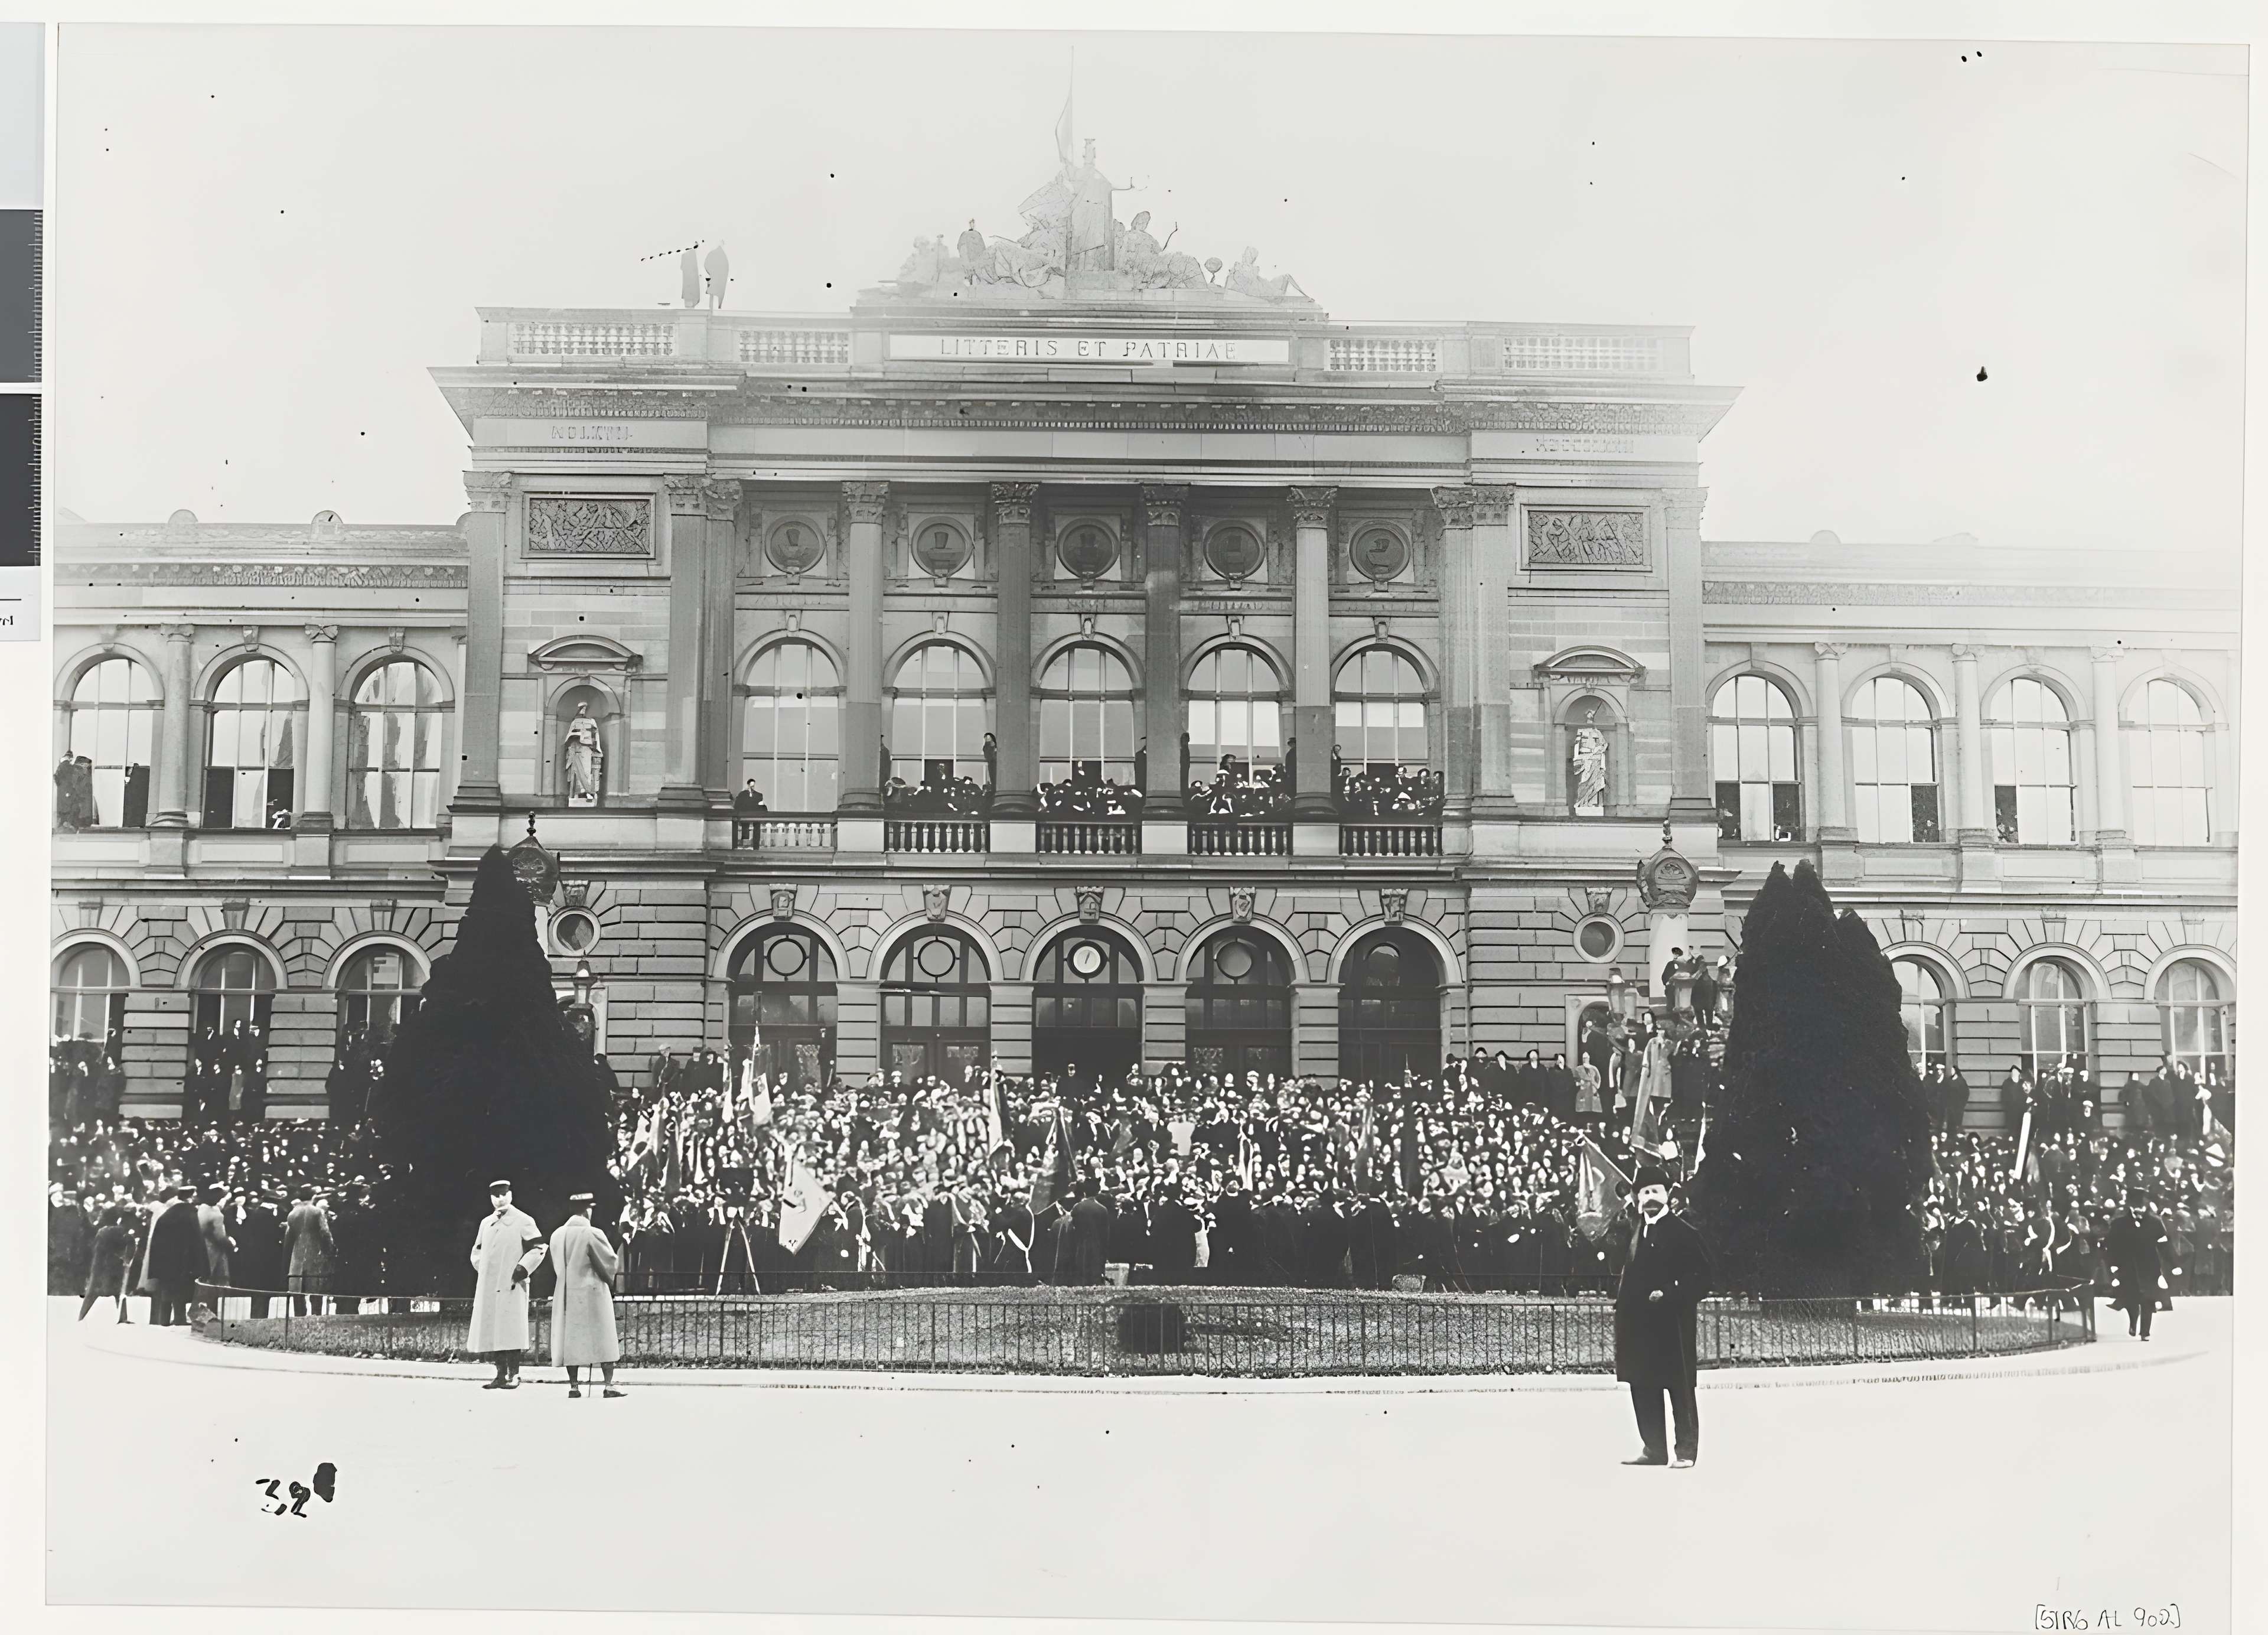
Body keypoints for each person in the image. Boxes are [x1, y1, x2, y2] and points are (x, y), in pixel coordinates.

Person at [1613, 1164, 1710, 1468]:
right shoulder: (1636, 1231)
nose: (1650, 1198)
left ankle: (1686, 1451)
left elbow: (1704, 1277)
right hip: (1639, 1327)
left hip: (1672, 1326)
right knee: (1643, 1386)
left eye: (1656, 1191)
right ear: (1638, 1198)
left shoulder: (1685, 1233)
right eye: (1644, 1193)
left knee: (1679, 1387)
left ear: (1668, 1195)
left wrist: (1671, 1293)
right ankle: (1654, 1449)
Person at [468, 1180, 547, 1389]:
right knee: (495, 1329)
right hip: (490, 1286)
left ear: (511, 1194)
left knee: (511, 1329)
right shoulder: (486, 1223)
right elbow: (477, 1251)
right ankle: (500, 1374)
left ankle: (515, 1374)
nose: (499, 1198)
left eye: (503, 1194)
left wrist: (522, 1269)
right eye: (495, 1195)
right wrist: (483, 1268)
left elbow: (539, 1248)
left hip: (512, 1284)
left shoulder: (523, 1220)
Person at [548, 1193, 624, 1399]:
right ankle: (609, 1385)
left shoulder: (556, 1235)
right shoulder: (592, 1233)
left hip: (566, 1291)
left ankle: (574, 1386)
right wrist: (610, 1281)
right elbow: (608, 1262)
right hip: (592, 1291)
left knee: (571, 1338)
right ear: (587, 1210)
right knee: (603, 1336)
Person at [2102, 1185, 2171, 1341]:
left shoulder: (2155, 1223)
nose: (2139, 1210)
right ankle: (2134, 1322)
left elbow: (2164, 1244)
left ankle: (2145, 1332)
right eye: (2136, 1207)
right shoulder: (2119, 1223)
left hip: (2150, 1267)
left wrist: (2174, 1264)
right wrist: (2113, 1265)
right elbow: (2111, 1246)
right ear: (2131, 1207)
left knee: (2148, 1300)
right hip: (2128, 1267)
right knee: (2131, 1299)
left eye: (2141, 1207)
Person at [145, 1184, 207, 1328]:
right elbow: (196, 1240)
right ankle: (179, 1318)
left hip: (165, 1262)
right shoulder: (190, 1215)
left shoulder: (166, 1215)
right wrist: (201, 1264)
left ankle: (164, 1319)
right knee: (181, 1289)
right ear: (190, 1198)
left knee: (167, 1289)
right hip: (184, 1262)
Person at [79, 1206, 138, 1324]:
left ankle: (82, 1316)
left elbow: (96, 1249)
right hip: (116, 1266)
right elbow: (131, 1242)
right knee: (120, 1292)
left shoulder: (102, 1231)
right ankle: (123, 1316)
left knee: (91, 1294)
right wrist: (126, 1258)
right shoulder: (121, 1231)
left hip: (99, 1266)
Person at [285, 1188, 335, 1316]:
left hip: (297, 1256)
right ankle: (316, 1318)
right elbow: (325, 1232)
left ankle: (299, 1319)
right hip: (315, 1254)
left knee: (298, 1292)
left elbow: (288, 1238)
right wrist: (330, 1250)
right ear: (313, 1197)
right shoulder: (317, 1212)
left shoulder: (292, 1213)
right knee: (316, 1291)